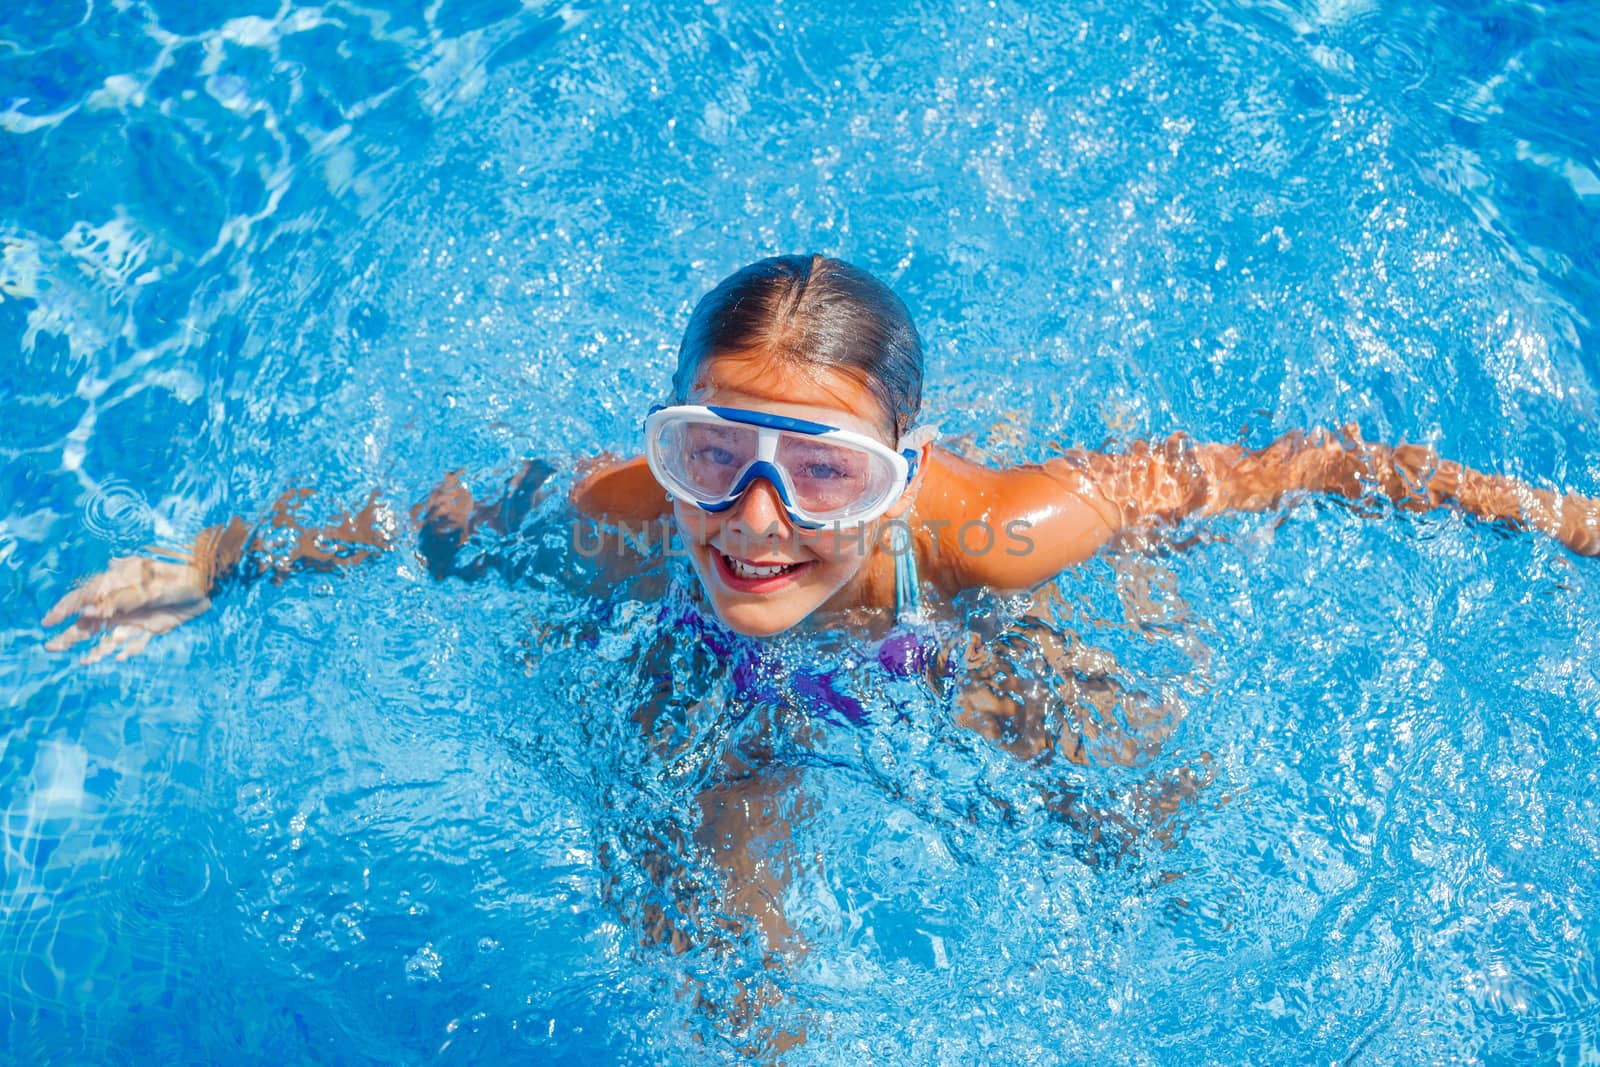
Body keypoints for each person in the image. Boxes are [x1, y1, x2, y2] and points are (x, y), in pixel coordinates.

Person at [38, 254, 1600, 1048]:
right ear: (667, 448)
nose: (761, 519)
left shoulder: (996, 530)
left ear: (905, 474)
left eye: (830, 471)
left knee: (1155, 824)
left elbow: (1305, 465)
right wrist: (204, 565)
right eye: (715, 455)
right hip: (704, 682)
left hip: (942, 642)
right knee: (718, 959)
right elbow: (396, 526)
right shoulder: (623, 526)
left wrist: (1551, 515)